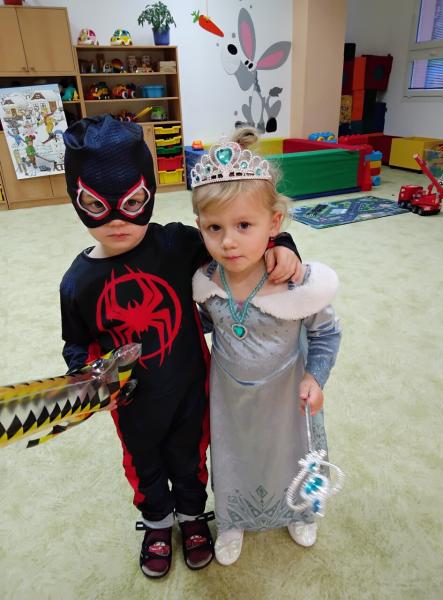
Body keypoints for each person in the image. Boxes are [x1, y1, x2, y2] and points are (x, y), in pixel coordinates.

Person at [59, 115, 306, 579]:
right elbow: (76, 342)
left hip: (192, 389)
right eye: (96, 205)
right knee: (144, 464)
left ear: (149, 191)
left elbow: (234, 241)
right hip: (131, 404)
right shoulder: (77, 283)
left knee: (191, 459)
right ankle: (157, 522)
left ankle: (192, 515)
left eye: (132, 202)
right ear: (77, 199)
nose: (117, 220)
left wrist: (283, 242)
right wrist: (88, 377)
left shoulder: (174, 243)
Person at [191, 128, 342, 566]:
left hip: (288, 394)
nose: (228, 241)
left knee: (299, 453)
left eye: (244, 225)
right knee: (232, 456)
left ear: (274, 224)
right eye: (214, 228)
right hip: (230, 398)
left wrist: (315, 377)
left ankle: (304, 510)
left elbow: (327, 332)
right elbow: (205, 326)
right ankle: (233, 519)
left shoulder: (295, 283)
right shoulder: (204, 283)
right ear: (200, 227)